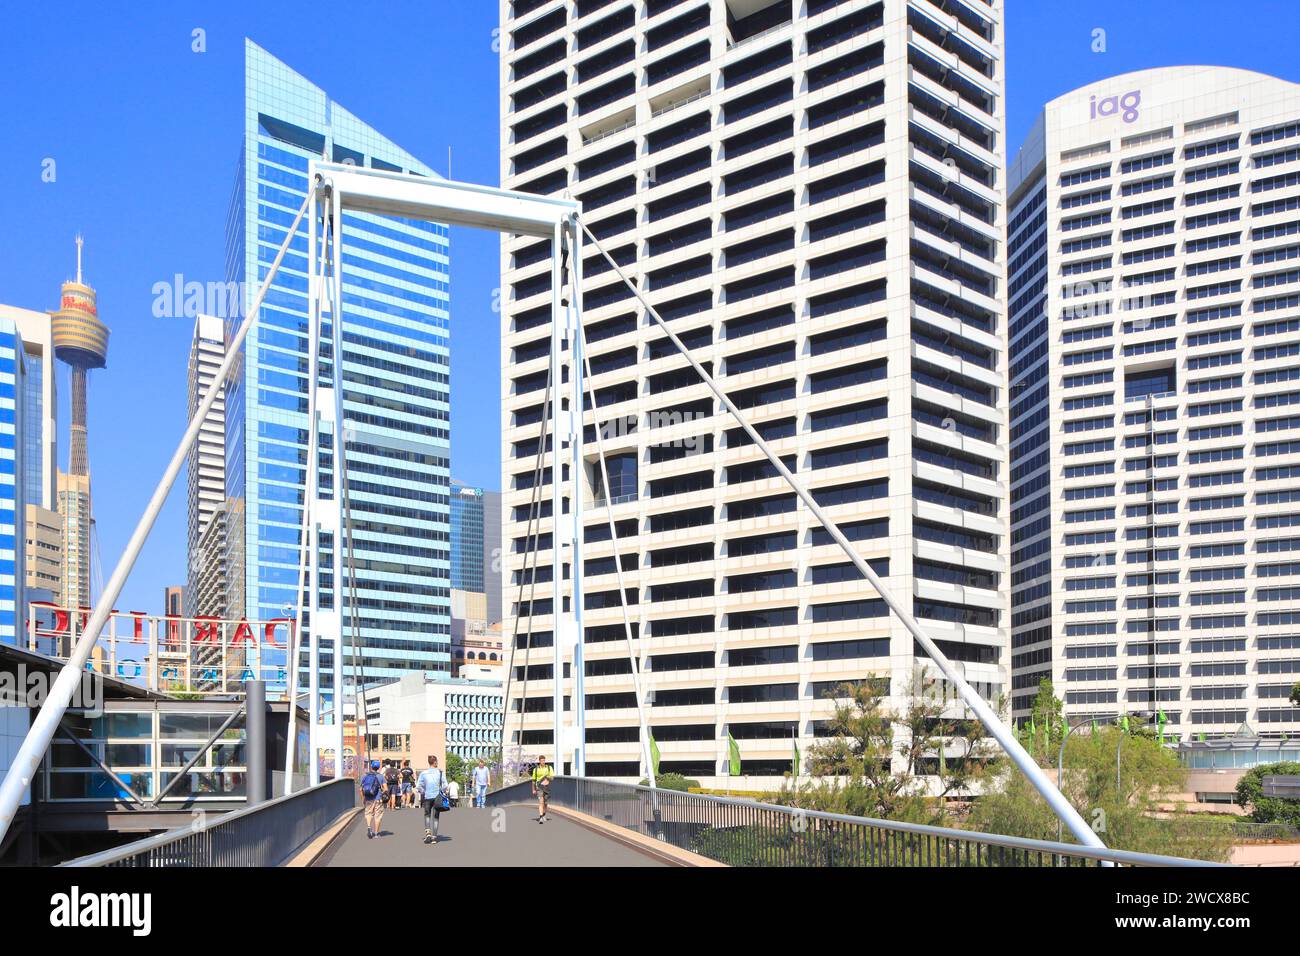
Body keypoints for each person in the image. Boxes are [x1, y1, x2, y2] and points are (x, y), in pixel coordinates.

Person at [416, 755, 448, 846]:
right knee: (436, 816)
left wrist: (423, 791)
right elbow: (445, 785)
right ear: (435, 762)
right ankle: (434, 837)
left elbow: (418, 787)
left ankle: (428, 833)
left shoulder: (423, 773)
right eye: (437, 761)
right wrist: (444, 790)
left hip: (427, 796)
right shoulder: (440, 773)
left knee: (427, 814)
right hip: (437, 797)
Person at [360, 760, 387, 839]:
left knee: (368, 813)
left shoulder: (364, 776)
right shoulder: (381, 776)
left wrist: (363, 798)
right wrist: (382, 792)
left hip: (368, 798)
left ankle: (369, 827)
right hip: (378, 799)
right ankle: (376, 833)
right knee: (377, 816)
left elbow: (360, 789)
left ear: (371, 766)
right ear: (378, 767)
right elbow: (386, 789)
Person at [531, 754, 553, 824]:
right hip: (539, 787)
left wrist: (547, 778)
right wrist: (533, 789)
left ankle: (544, 815)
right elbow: (533, 780)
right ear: (539, 761)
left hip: (546, 787)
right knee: (541, 801)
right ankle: (540, 817)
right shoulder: (536, 769)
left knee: (545, 803)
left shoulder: (549, 768)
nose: (543, 762)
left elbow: (552, 777)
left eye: (544, 760)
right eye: (541, 761)